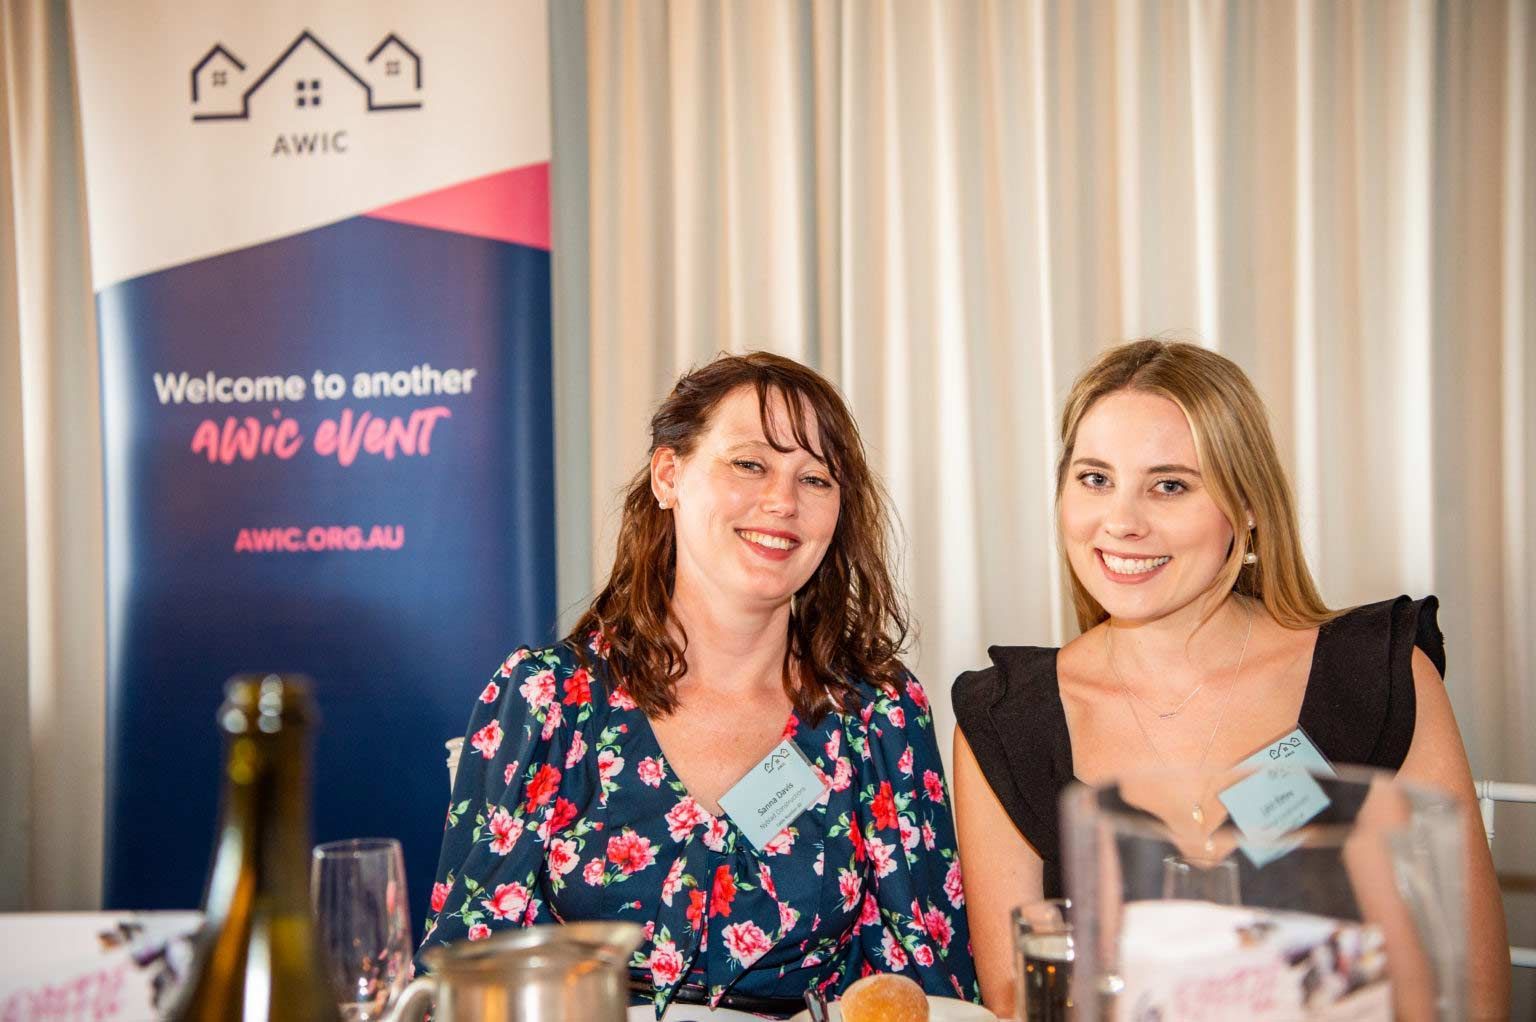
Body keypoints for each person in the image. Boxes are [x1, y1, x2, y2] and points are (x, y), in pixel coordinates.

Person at [952, 340, 1509, 1017]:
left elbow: (1470, 988)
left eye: (1170, 485)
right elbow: (1020, 999)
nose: (1121, 522)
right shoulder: (1008, 722)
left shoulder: (1376, 678)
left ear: (1247, 509)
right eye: (1095, 478)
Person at [421, 352, 978, 1018]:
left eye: (816, 478)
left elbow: (925, 986)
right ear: (668, 474)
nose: (783, 501)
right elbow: (469, 971)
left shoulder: (874, 713)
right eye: (750, 464)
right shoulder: (549, 699)